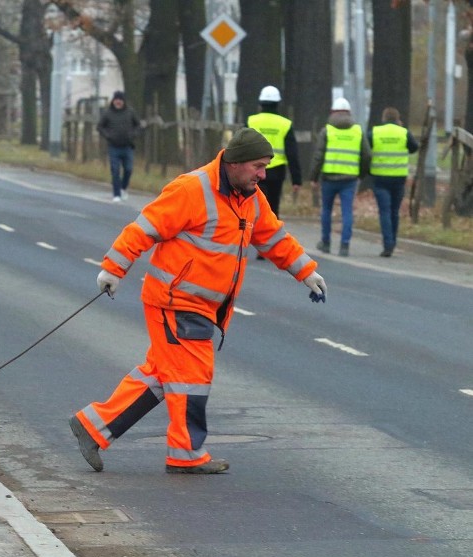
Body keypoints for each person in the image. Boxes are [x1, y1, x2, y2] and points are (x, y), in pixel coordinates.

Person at [69, 128, 328, 475]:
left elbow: (272, 237)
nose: (263, 175)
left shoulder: (249, 196)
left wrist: (306, 271)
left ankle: (93, 427)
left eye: (265, 167)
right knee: (192, 377)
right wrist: (113, 268)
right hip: (175, 301)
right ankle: (186, 455)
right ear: (234, 164)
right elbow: (145, 227)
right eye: (258, 166)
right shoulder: (192, 189)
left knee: (164, 375)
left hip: (203, 306)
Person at [308, 97, 371, 257]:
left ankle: (326, 242)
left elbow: (318, 156)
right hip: (349, 179)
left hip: (329, 178)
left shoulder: (327, 131)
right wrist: (361, 174)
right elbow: (367, 155)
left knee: (326, 210)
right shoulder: (357, 131)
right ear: (349, 113)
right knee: (347, 212)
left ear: (332, 112)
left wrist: (313, 177)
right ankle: (344, 245)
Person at [247, 86, 302, 260]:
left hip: (253, 170)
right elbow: (292, 153)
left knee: (251, 207)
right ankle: (267, 246)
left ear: (261, 103)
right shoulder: (285, 124)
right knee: (272, 209)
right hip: (276, 172)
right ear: (278, 104)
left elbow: (240, 147)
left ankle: (247, 239)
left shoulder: (251, 121)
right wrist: (296, 179)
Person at [367, 107, 418, 257]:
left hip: (380, 178)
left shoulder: (375, 133)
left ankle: (388, 243)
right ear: (397, 118)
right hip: (398, 178)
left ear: (384, 118)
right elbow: (414, 148)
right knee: (394, 212)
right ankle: (393, 242)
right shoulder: (404, 133)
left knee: (384, 211)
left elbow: (366, 149)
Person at [97, 91, 141, 202]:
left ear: (123, 101)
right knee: (115, 170)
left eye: (120, 100)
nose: (118, 102)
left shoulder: (130, 112)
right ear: (113, 101)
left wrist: (133, 135)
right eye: (116, 99)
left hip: (127, 146)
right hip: (114, 147)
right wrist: (108, 136)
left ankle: (123, 188)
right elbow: (100, 126)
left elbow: (138, 125)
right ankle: (116, 194)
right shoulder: (108, 113)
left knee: (128, 169)